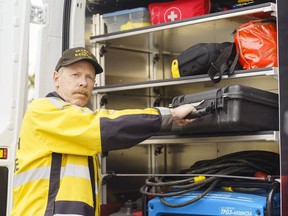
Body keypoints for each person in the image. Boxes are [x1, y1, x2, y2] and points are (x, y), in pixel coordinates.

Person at [11, 47, 196, 216]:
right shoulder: (43, 111)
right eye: (75, 75)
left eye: (89, 77)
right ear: (56, 78)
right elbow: (105, 126)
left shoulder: (76, 123)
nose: (83, 83)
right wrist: (168, 115)